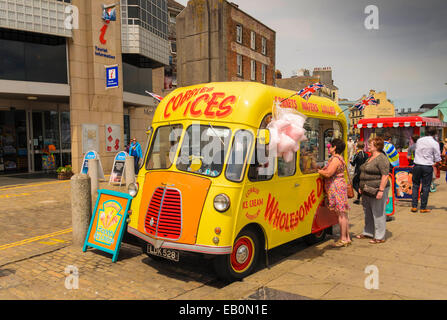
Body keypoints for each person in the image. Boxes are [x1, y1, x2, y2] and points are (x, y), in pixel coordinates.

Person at [356, 136, 391, 244]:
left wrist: (380, 191)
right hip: (367, 189)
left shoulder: (382, 158)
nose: (368, 146)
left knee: (378, 212)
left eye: (370, 144)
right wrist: (361, 187)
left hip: (377, 189)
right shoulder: (370, 157)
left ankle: (380, 236)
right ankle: (368, 232)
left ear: (377, 146)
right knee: (368, 212)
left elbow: (385, 175)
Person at [318, 138, 351, 247]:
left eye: (330, 146)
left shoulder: (336, 159)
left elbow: (328, 173)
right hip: (340, 187)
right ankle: (347, 238)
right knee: (343, 214)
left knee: (341, 214)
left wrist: (318, 171)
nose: (329, 148)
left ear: (335, 147)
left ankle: (343, 239)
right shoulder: (339, 158)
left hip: (336, 188)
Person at [411, 127, 442, 213]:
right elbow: (437, 157)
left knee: (415, 185)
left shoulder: (419, 141)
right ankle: (423, 207)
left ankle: (414, 206)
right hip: (427, 166)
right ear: (435, 133)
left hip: (417, 165)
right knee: (425, 186)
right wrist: (438, 163)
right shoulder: (434, 143)